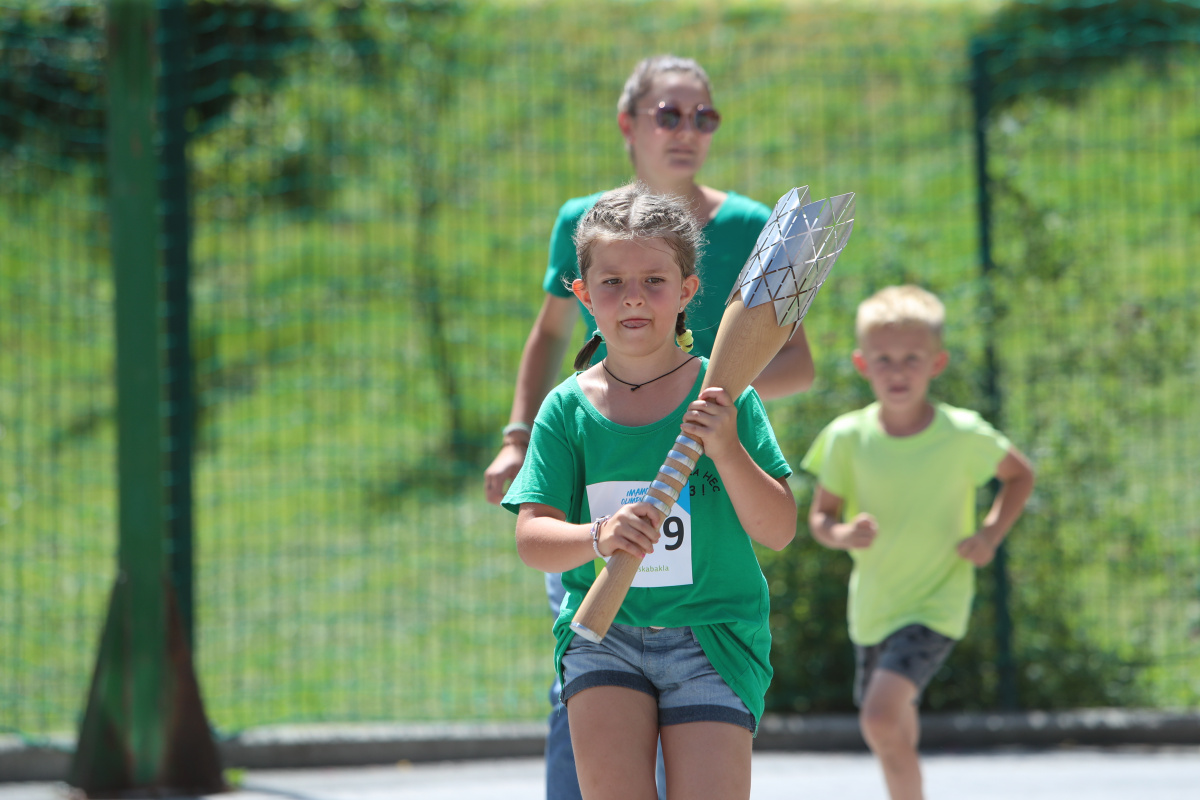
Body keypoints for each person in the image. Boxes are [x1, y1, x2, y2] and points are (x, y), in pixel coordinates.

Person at [482, 54, 814, 799]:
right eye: (613, 283)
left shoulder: (727, 401)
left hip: (712, 636)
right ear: (583, 293)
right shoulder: (567, 409)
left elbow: (779, 528)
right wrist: (599, 536)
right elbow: (532, 539)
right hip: (603, 636)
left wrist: (725, 447)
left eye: (655, 282)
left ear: (689, 290)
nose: (633, 298)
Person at [801, 285, 1036, 800]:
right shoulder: (846, 437)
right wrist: (843, 534)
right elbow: (821, 518)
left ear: (937, 363)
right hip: (874, 607)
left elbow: (1020, 476)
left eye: (912, 358)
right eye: (884, 359)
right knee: (892, 729)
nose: (898, 371)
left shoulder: (964, 433)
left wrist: (990, 534)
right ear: (862, 364)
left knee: (880, 719)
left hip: (936, 602)